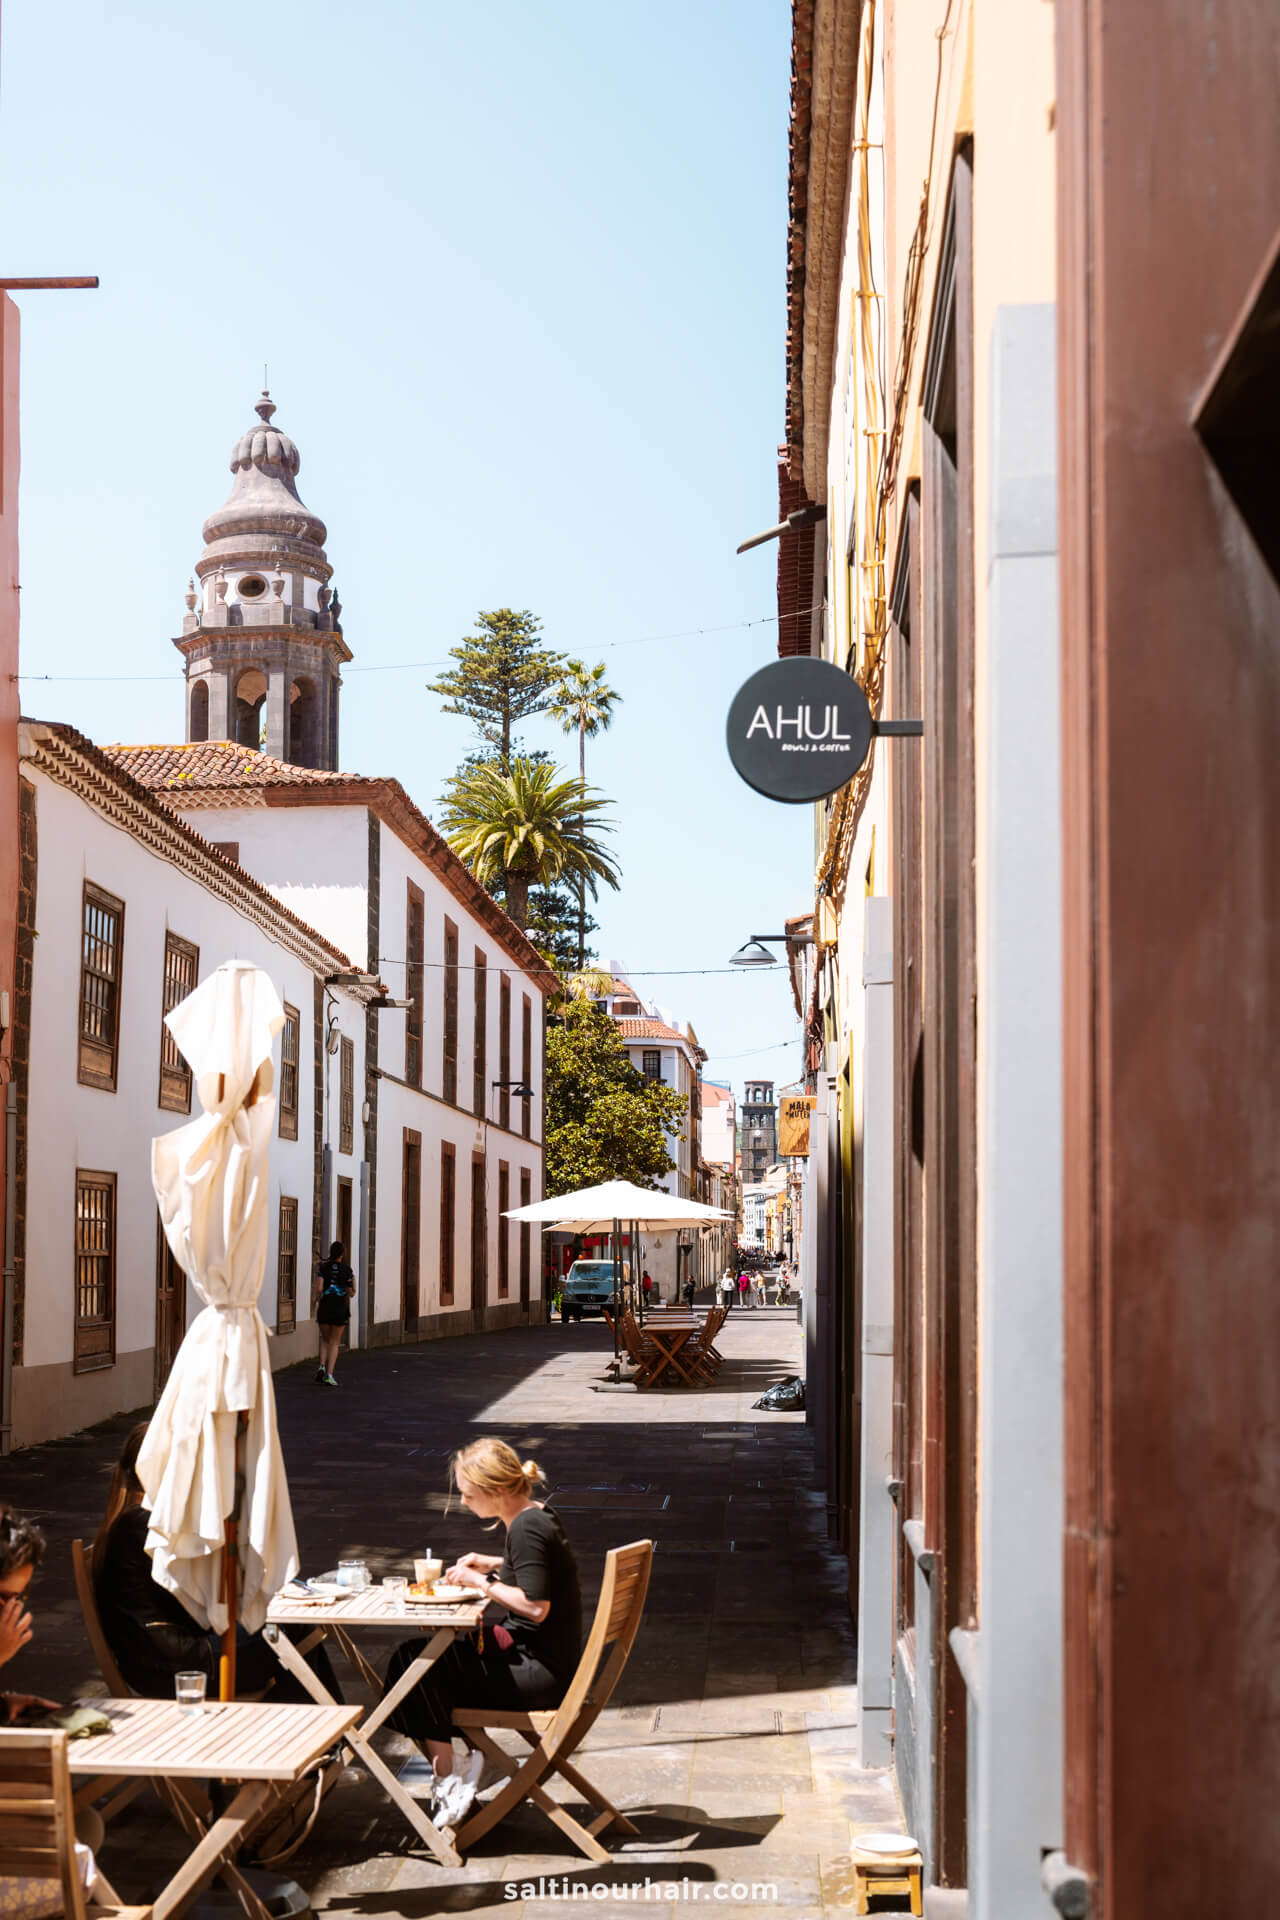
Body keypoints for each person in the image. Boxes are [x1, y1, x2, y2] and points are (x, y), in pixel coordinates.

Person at [383, 1438, 582, 1834]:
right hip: (544, 1660)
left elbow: (535, 1605)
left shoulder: (526, 1527)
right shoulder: (537, 1515)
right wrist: (494, 1562)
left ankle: (451, 1777)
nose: (464, 1502)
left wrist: (482, 1580)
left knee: (414, 1666)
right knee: (418, 1659)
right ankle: (468, 1762)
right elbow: (534, 1570)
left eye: (469, 1494)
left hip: (537, 1673)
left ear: (496, 1490)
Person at [93, 1423, 339, 1703]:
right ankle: (332, 1737)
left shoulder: (136, 1520)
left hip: (168, 1655)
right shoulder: (143, 1526)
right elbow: (205, 1585)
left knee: (285, 1634)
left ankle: (320, 1735)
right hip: (175, 1663)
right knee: (290, 1632)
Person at [314, 1238, 355, 1385]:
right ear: (342, 1254)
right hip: (339, 1308)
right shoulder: (347, 1270)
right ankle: (330, 1375)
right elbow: (351, 1292)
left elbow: (319, 1289)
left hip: (325, 1307)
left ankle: (321, 1366)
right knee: (335, 1342)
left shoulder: (323, 1268)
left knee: (325, 1339)